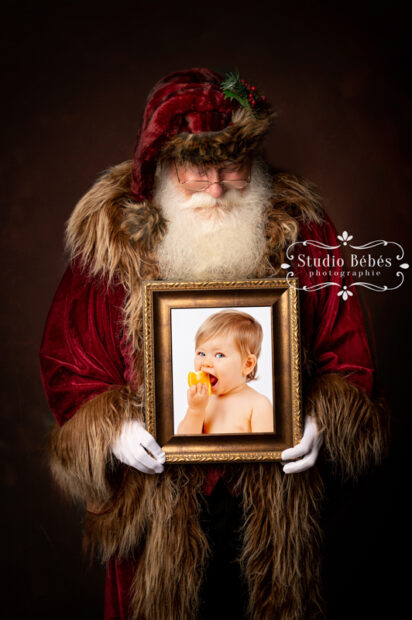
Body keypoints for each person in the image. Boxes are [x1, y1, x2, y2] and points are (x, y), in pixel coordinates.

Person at [39, 68, 387, 619]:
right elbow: (67, 359)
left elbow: (347, 350)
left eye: (232, 166)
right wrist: (112, 430)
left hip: (271, 508)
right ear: (161, 163)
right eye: (196, 168)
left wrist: (323, 417)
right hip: (156, 511)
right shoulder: (110, 242)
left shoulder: (306, 231)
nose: (217, 186)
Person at [177, 309, 273, 435]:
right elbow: (183, 444)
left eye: (219, 355)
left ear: (247, 364)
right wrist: (195, 410)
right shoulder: (203, 402)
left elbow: (267, 451)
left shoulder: (258, 405)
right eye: (201, 353)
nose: (206, 362)